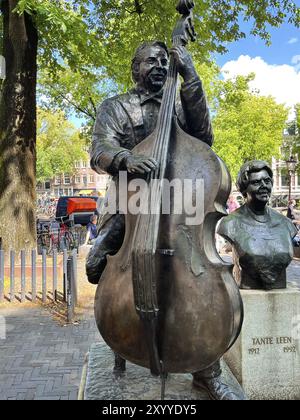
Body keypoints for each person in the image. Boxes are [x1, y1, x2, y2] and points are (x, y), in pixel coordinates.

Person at [86, 41, 244, 400]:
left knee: (189, 280)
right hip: (131, 202)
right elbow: (100, 150)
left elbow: (204, 137)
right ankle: (125, 336)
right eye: (150, 60)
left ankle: (207, 370)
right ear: (134, 67)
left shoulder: (178, 103)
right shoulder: (115, 107)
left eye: (163, 60)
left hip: (180, 205)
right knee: (97, 265)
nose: (158, 65)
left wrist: (190, 75)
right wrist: (125, 159)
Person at [218, 160, 298, 290]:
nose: (263, 186)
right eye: (256, 182)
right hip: (247, 285)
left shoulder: (286, 224)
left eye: (267, 181)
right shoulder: (230, 224)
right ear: (244, 189)